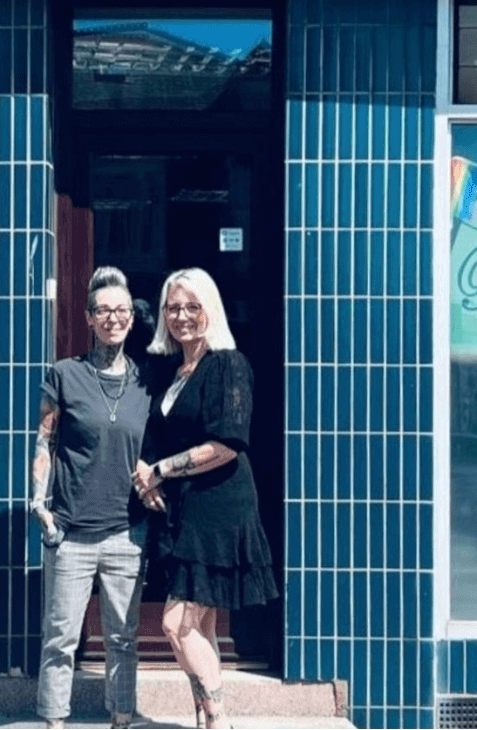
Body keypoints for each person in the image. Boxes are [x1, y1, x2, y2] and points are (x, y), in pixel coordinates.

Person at [132, 267, 278, 729]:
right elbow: (155, 438)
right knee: (202, 626)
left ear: (210, 309)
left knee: (177, 624)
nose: (182, 316)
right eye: (173, 307)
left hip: (220, 508)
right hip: (185, 510)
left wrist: (159, 471)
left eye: (192, 306)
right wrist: (144, 472)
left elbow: (227, 443)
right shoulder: (173, 371)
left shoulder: (228, 365)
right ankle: (205, 721)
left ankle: (219, 719)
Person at [29, 266, 153, 730]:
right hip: (70, 530)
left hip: (127, 531)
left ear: (131, 318)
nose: (113, 318)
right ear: (88, 318)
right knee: (60, 638)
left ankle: (122, 719)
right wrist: (39, 502)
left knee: (122, 638)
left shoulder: (145, 384)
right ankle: (55, 723)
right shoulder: (64, 375)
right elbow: (45, 440)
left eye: (121, 310)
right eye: (103, 310)